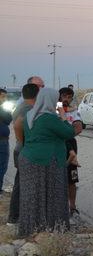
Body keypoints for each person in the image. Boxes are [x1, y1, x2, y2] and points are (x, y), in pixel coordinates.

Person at [17, 88, 76, 236]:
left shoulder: (31, 115)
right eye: (56, 100)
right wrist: (63, 115)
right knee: (53, 195)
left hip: (29, 159)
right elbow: (69, 133)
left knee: (32, 197)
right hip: (46, 161)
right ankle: (53, 229)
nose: (58, 103)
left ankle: (31, 230)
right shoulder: (49, 118)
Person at [6, 82, 40, 225]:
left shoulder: (23, 106)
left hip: (22, 149)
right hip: (25, 150)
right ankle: (15, 217)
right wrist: (24, 142)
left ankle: (16, 217)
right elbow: (18, 124)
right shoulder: (27, 108)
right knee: (22, 185)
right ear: (36, 94)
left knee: (21, 183)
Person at [59, 87, 83, 219]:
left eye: (69, 97)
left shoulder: (73, 110)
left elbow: (78, 128)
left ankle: (72, 207)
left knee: (72, 180)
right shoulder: (54, 107)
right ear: (59, 97)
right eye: (64, 96)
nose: (66, 99)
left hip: (68, 142)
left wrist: (66, 133)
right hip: (57, 146)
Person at [0, 89, 11, 196]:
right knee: (2, 166)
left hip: (3, 140)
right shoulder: (2, 109)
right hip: (1, 142)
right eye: (3, 96)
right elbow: (8, 119)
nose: (5, 99)